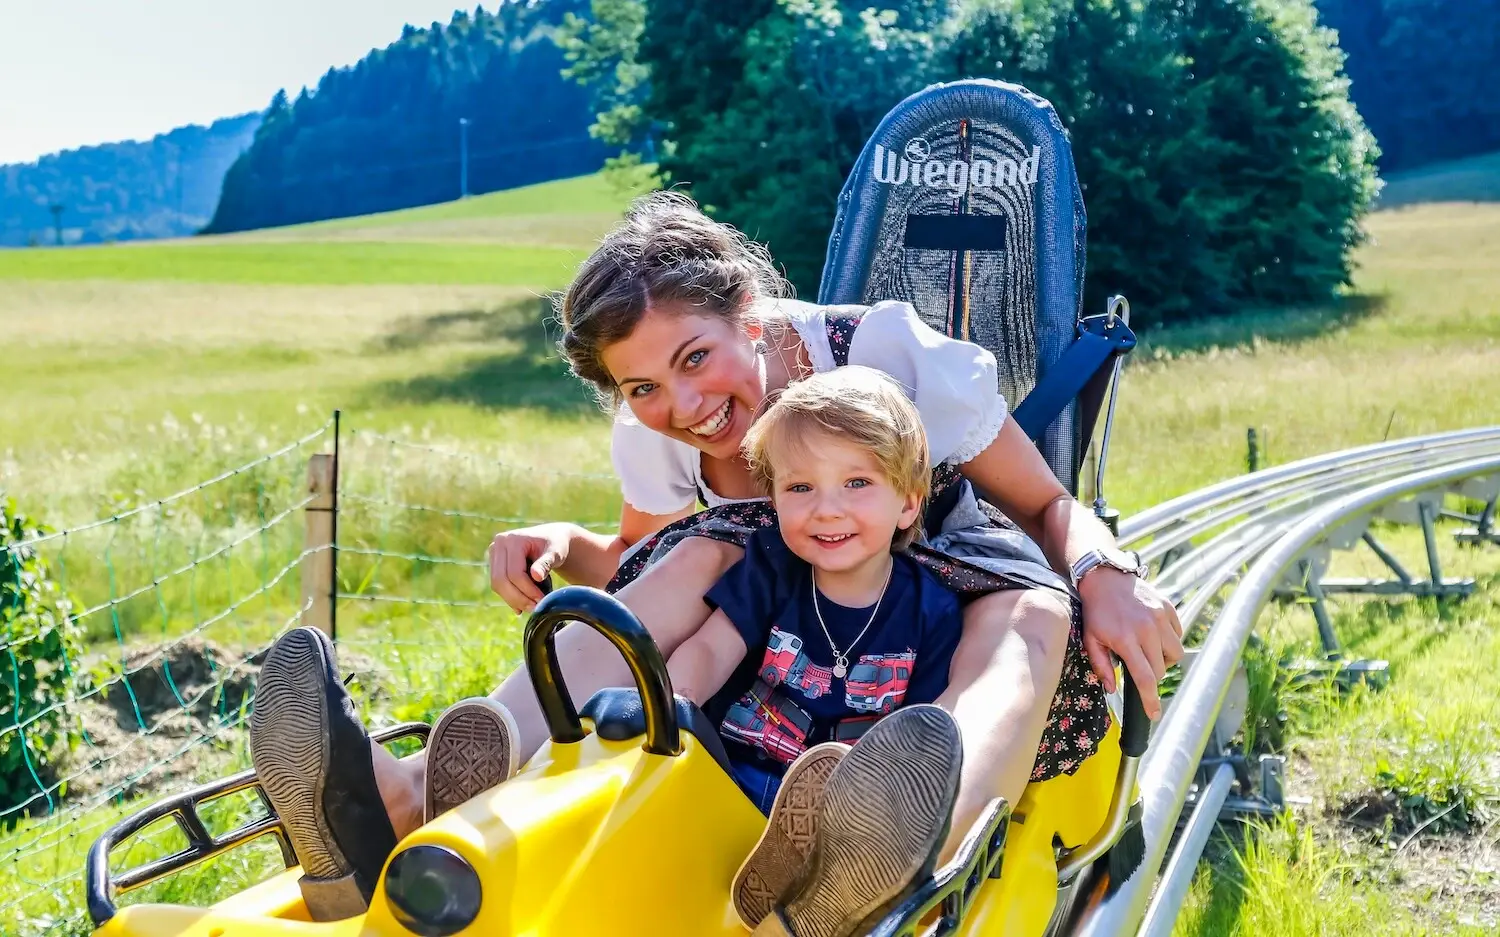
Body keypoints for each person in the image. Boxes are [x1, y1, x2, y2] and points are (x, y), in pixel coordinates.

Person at [248, 191, 1184, 925]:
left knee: (1028, 620)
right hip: (784, 597)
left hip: (938, 553)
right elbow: (626, 559)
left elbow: (1047, 503)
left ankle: (913, 838)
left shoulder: (890, 351)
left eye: (696, 358)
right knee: (681, 567)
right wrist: (562, 548)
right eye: (644, 386)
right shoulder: (659, 440)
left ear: (750, 309)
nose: (683, 405)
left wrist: (1104, 575)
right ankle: (413, 799)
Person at [667, 367, 965, 930]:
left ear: (907, 503)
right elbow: (711, 648)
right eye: (800, 488)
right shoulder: (773, 567)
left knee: (862, 823)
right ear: (774, 497)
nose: (826, 509)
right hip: (736, 772)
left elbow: (920, 734)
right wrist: (673, 703)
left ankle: (817, 888)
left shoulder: (931, 610)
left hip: (843, 811)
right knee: (679, 785)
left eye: (857, 483)